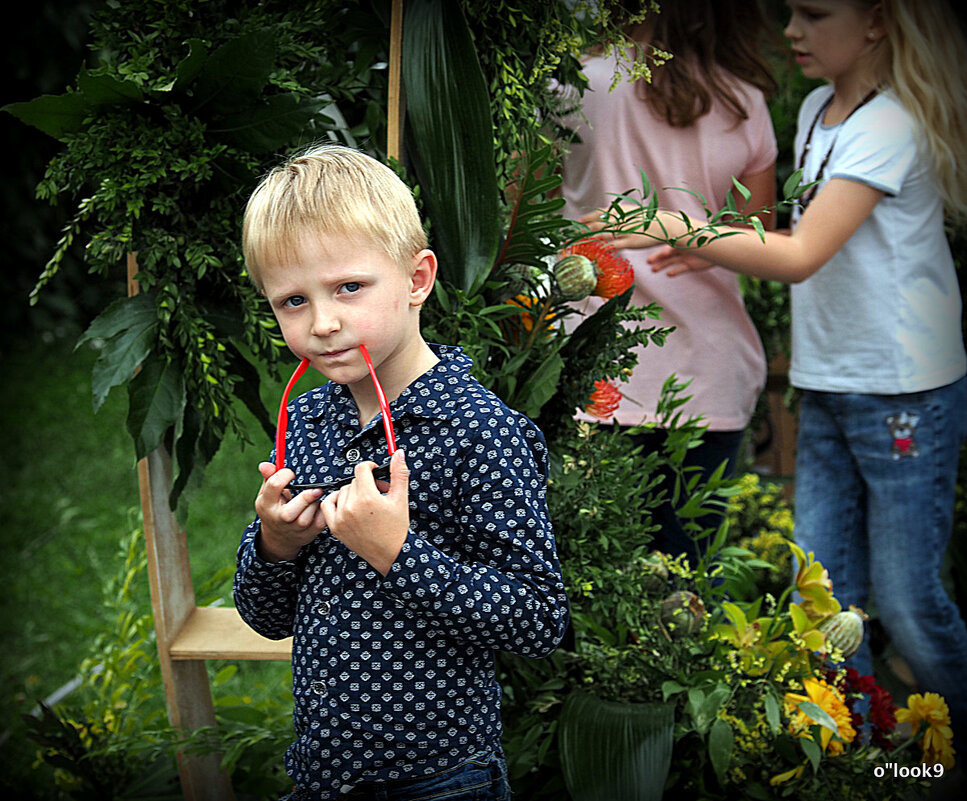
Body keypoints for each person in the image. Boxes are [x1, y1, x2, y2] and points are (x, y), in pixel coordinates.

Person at [587, 0, 967, 756]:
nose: (791, 30)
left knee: (903, 597)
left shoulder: (889, 126)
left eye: (813, 14)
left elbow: (800, 256)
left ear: (877, 23)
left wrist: (675, 227)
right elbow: (784, 230)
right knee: (822, 598)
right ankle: (861, 758)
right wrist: (716, 247)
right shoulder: (821, 109)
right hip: (828, 381)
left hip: (900, 392)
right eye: (790, 12)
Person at [233, 144, 569, 800]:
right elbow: (267, 618)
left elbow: (537, 618)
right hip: (321, 773)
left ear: (417, 279)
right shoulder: (305, 424)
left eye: (348, 287)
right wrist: (275, 542)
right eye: (292, 301)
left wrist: (398, 554)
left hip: (441, 780)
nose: (323, 322)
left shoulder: (480, 433)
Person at [555, 0, 780, 566]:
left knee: (588, 578)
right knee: (686, 583)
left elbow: (521, 215)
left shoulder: (572, 87)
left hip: (591, 367)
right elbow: (761, 232)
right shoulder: (740, 98)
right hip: (710, 369)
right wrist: (698, 237)